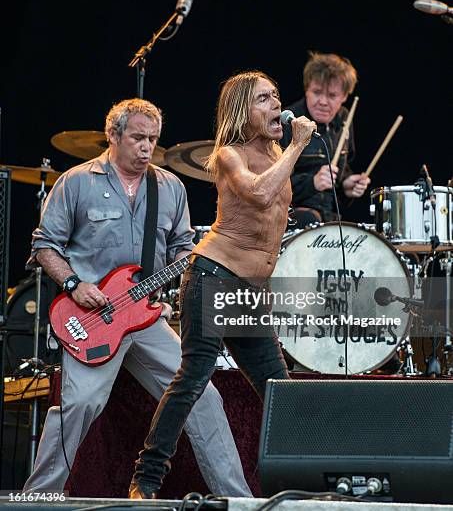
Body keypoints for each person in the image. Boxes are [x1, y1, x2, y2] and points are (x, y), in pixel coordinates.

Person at [22, 98, 252, 497]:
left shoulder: (169, 186)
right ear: (113, 135)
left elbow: (182, 247)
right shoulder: (77, 181)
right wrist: (76, 285)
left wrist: (183, 275)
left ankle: (239, 500)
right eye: (138, 138)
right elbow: (44, 246)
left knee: (205, 397)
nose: (147, 147)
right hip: (90, 318)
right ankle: (39, 497)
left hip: (146, 320)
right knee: (79, 407)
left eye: (153, 140)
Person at [128, 70, 317, 499]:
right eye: (264, 99)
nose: (276, 105)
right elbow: (259, 195)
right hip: (214, 276)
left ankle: (304, 482)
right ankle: (147, 478)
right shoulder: (230, 153)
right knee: (193, 377)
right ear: (241, 111)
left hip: (249, 293)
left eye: (276, 97)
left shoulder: (276, 153)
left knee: (278, 389)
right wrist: (298, 144)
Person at [280, 51, 370, 228]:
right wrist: (312, 182)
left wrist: (346, 185)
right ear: (307, 89)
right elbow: (271, 184)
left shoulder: (344, 118)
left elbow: (341, 171)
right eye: (317, 92)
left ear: (344, 97)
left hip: (331, 217)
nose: (322, 101)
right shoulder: (288, 123)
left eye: (332, 95)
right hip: (294, 218)